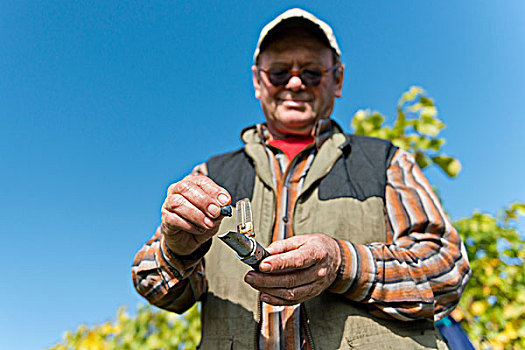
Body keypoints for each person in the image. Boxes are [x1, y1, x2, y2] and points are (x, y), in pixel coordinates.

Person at [132, 8, 471, 349]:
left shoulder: (385, 162)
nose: (295, 83)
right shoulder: (211, 175)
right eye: (279, 72)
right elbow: (153, 285)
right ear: (257, 81)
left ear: (337, 80)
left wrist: (342, 263)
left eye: (311, 72)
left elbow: (447, 270)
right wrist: (177, 249)